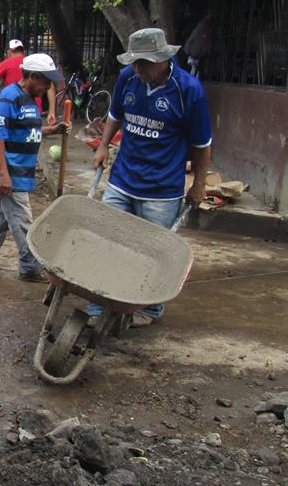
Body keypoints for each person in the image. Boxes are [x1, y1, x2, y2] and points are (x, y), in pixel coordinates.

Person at [90, 27, 212, 327]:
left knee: (152, 253)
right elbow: (116, 114)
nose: (138, 68)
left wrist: (199, 183)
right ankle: (98, 304)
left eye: (143, 62)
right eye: (134, 62)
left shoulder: (189, 91)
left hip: (161, 188)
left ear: (162, 59)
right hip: (123, 178)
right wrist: (104, 145)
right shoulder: (128, 79)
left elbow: (201, 145)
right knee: (107, 241)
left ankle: (150, 308)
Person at [0, 54, 70, 282]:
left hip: (21, 172)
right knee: (24, 222)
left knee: (5, 219)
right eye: (45, 82)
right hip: (9, 173)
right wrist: (4, 175)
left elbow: (27, 131)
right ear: (33, 77)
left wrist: (54, 130)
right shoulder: (9, 98)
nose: (48, 87)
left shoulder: (30, 100)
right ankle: (30, 267)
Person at [0, 39, 56, 121]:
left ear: (9, 51)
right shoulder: (33, 64)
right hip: (34, 110)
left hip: (14, 110)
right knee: (32, 135)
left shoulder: (6, 63)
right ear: (23, 51)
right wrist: (52, 112)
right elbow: (50, 88)